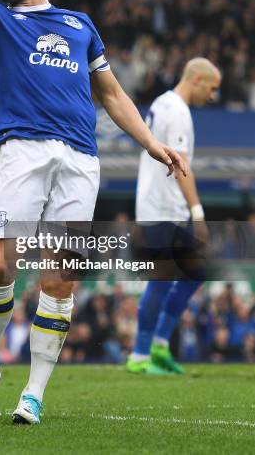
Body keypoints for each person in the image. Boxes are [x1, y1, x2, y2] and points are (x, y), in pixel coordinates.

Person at [0, 0, 186, 425]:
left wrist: (151, 142)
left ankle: (33, 392)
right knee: (2, 262)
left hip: (80, 160)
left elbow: (111, 92)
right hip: (22, 151)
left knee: (59, 277)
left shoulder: (80, 25)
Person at [127, 58, 221, 375]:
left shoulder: (164, 103)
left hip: (160, 205)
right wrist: (198, 212)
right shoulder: (178, 112)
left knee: (196, 272)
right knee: (163, 276)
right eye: (212, 87)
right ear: (196, 79)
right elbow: (181, 167)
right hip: (164, 206)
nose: (213, 96)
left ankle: (159, 345)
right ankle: (140, 355)